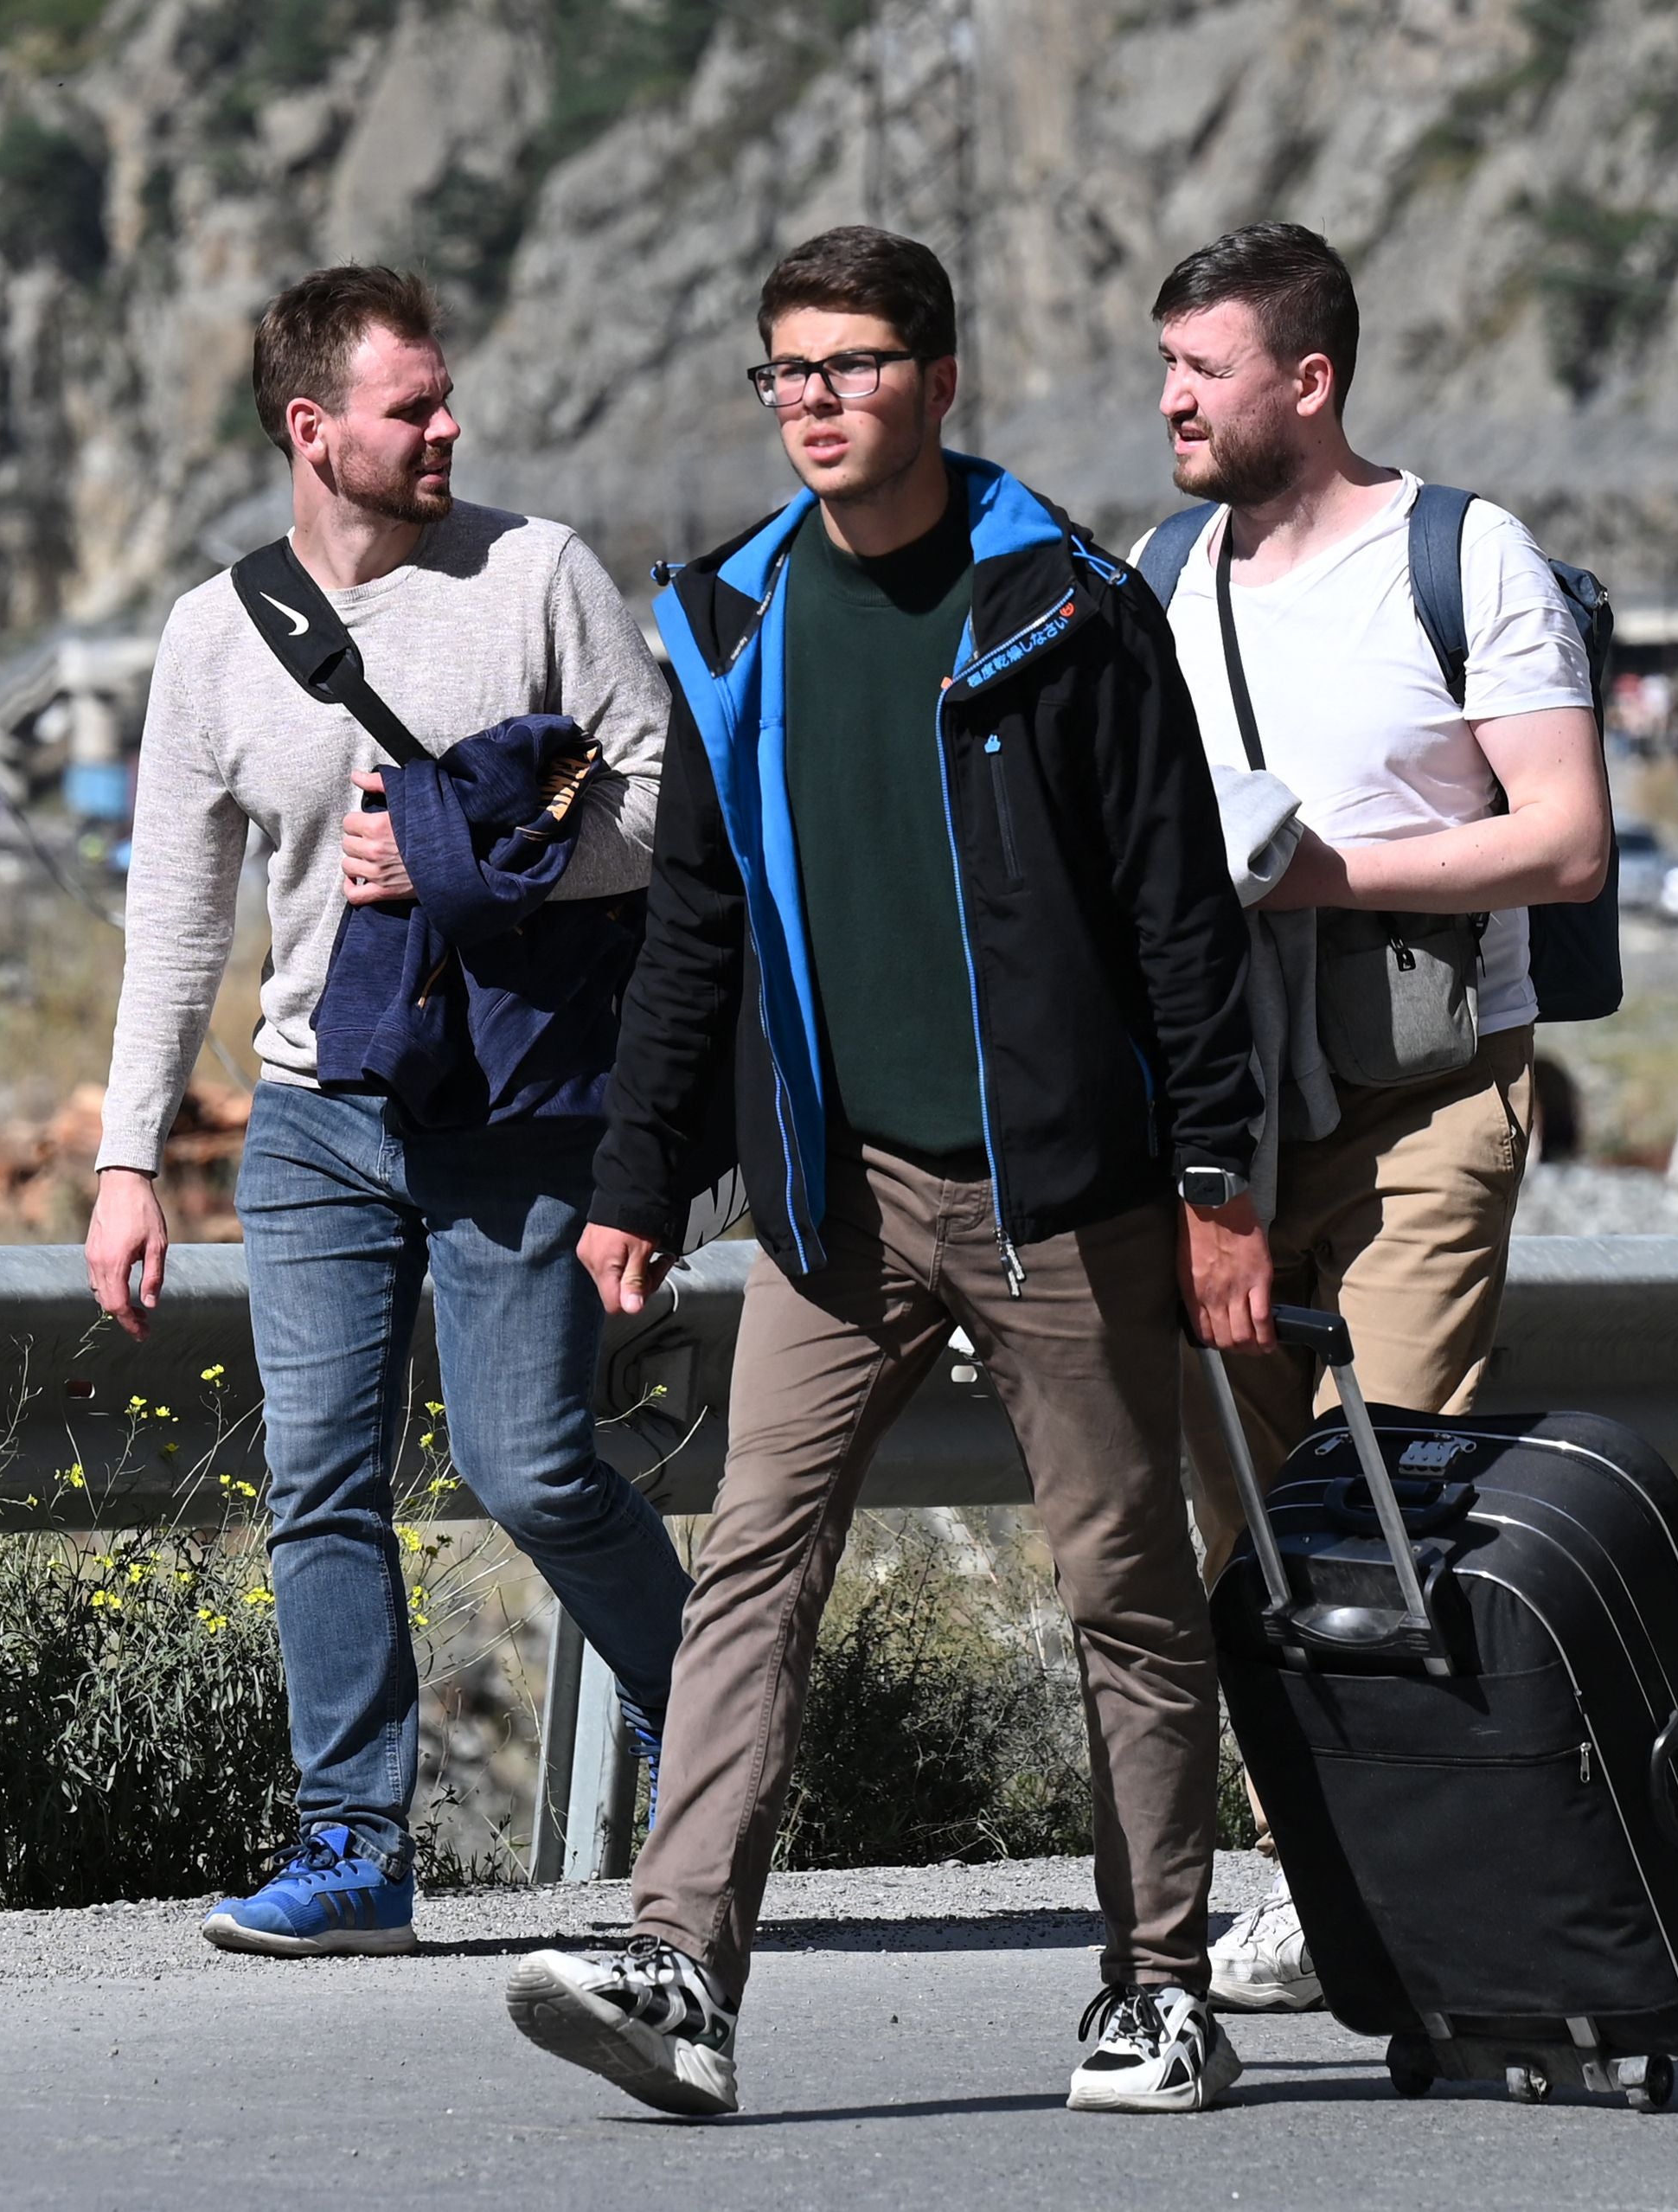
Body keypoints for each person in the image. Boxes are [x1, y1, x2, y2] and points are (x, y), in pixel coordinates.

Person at [498, 228, 1271, 2119]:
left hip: (1058, 1195)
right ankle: (681, 1965)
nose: (815, 403)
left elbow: (1182, 917)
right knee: (755, 1560)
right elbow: (697, 931)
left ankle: (1157, 1985)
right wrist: (635, 1178)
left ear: (937, 377)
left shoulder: (1067, 611)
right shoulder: (738, 619)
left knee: (1125, 1591)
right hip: (832, 1200)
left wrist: (1220, 1183)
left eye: (849, 366)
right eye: (786, 374)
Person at [86, 266, 693, 1956]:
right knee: (321, 1482)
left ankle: (699, 1714)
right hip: (315, 1108)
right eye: (410, 406)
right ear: (312, 430)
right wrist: (129, 1154)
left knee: (530, 1462)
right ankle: (354, 1846)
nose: (447, 428)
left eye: (445, 400)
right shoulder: (215, 637)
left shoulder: (536, 575)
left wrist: (451, 852)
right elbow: (175, 919)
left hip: (511, 1105)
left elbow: (663, 810)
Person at [1130, 222, 1607, 2014]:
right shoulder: (1158, 572)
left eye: (1206, 368)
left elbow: (1563, 839)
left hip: (1428, 1105)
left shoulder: (1462, 557)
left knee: (1387, 1502)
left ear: (1309, 382)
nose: (1171, 399)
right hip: (1227, 1118)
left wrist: (1321, 873)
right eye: (1167, 366)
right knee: (1247, 1524)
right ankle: (1309, 1869)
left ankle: (1403, 1885)